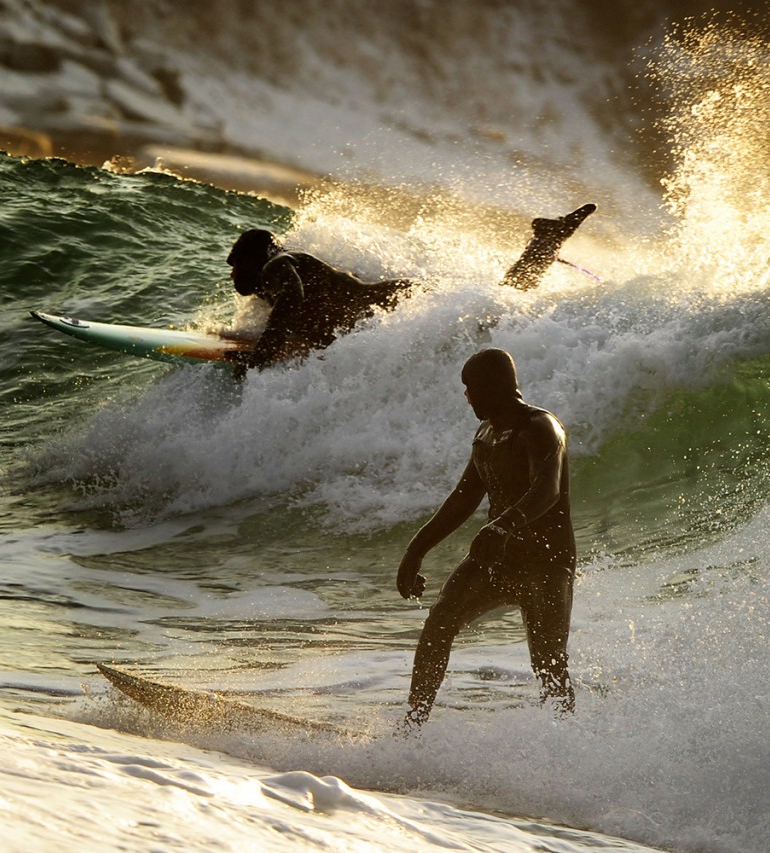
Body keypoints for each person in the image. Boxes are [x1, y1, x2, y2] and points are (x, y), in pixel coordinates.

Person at [395, 348, 576, 730]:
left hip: (546, 561)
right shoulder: (486, 434)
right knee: (439, 621)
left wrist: (502, 526)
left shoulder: (541, 428)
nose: (467, 397)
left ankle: (568, 745)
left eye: (471, 388)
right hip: (498, 558)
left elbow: (548, 490)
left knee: (548, 662)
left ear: (496, 387)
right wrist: (416, 550)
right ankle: (410, 728)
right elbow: (462, 500)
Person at [227, 203, 596, 370]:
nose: (231, 273)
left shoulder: (278, 264)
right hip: (403, 300)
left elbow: (293, 295)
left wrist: (259, 357)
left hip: (401, 304)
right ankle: (544, 243)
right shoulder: (273, 285)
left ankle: (544, 242)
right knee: (504, 299)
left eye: (235, 263)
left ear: (256, 258)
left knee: (502, 304)